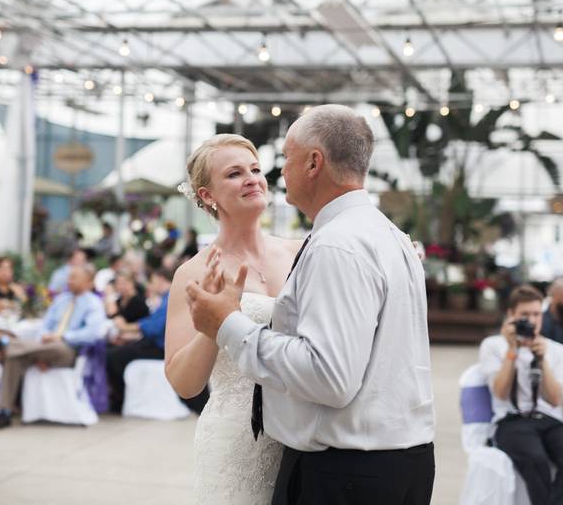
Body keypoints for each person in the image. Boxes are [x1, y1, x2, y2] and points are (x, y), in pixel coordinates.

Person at [185, 106, 436, 505]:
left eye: (286, 157)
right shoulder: (388, 236)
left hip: (348, 473)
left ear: (313, 163)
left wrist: (228, 325)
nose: (275, 173)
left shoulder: (335, 245)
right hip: (403, 457)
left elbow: (328, 376)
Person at [165, 133, 301, 502]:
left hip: (307, 436)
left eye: (256, 169)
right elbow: (184, 383)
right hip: (237, 441)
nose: (253, 179)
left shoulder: (300, 252)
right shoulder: (193, 273)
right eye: (235, 173)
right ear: (207, 195)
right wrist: (215, 324)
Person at [479, 285, 563, 505]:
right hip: (511, 420)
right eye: (524, 315)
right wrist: (512, 351)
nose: (532, 321)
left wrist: (542, 361)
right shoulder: (493, 346)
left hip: (549, 419)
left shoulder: (555, 350)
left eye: (536, 314)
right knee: (536, 460)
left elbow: (555, 399)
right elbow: (500, 392)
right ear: (510, 316)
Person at [0, 265, 107, 429]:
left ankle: (7, 346)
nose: (70, 281)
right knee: (14, 358)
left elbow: (92, 334)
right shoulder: (61, 300)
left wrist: (61, 336)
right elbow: (44, 326)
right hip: (44, 348)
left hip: (68, 350)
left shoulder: (93, 304)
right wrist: (43, 342)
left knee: (33, 348)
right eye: (70, 277)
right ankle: (5, 412)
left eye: (75, 278)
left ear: (89, 282)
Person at [106, 267, 174, 413]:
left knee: (114, 356)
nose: (150, 285)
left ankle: (120, 399)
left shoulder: (170, 298)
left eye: (152, 281)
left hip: (160, 347)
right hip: (153, 343)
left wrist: (126, 328)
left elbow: (155, 327)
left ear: (161, 279)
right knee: (113, 352)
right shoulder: (166, 298)